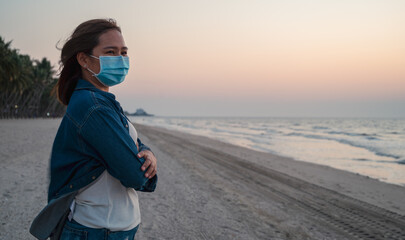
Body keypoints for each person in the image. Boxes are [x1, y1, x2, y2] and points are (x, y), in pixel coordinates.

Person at [30, 18, 157, 240]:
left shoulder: (100, 100)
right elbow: (135, 176)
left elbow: (125, 136)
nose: (120, 59)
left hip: (105, 228)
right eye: (110, 52)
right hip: (98, 230)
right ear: (84, 59)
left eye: (123, 52)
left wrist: (147, 150)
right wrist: (146, 166)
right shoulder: (93, 106)